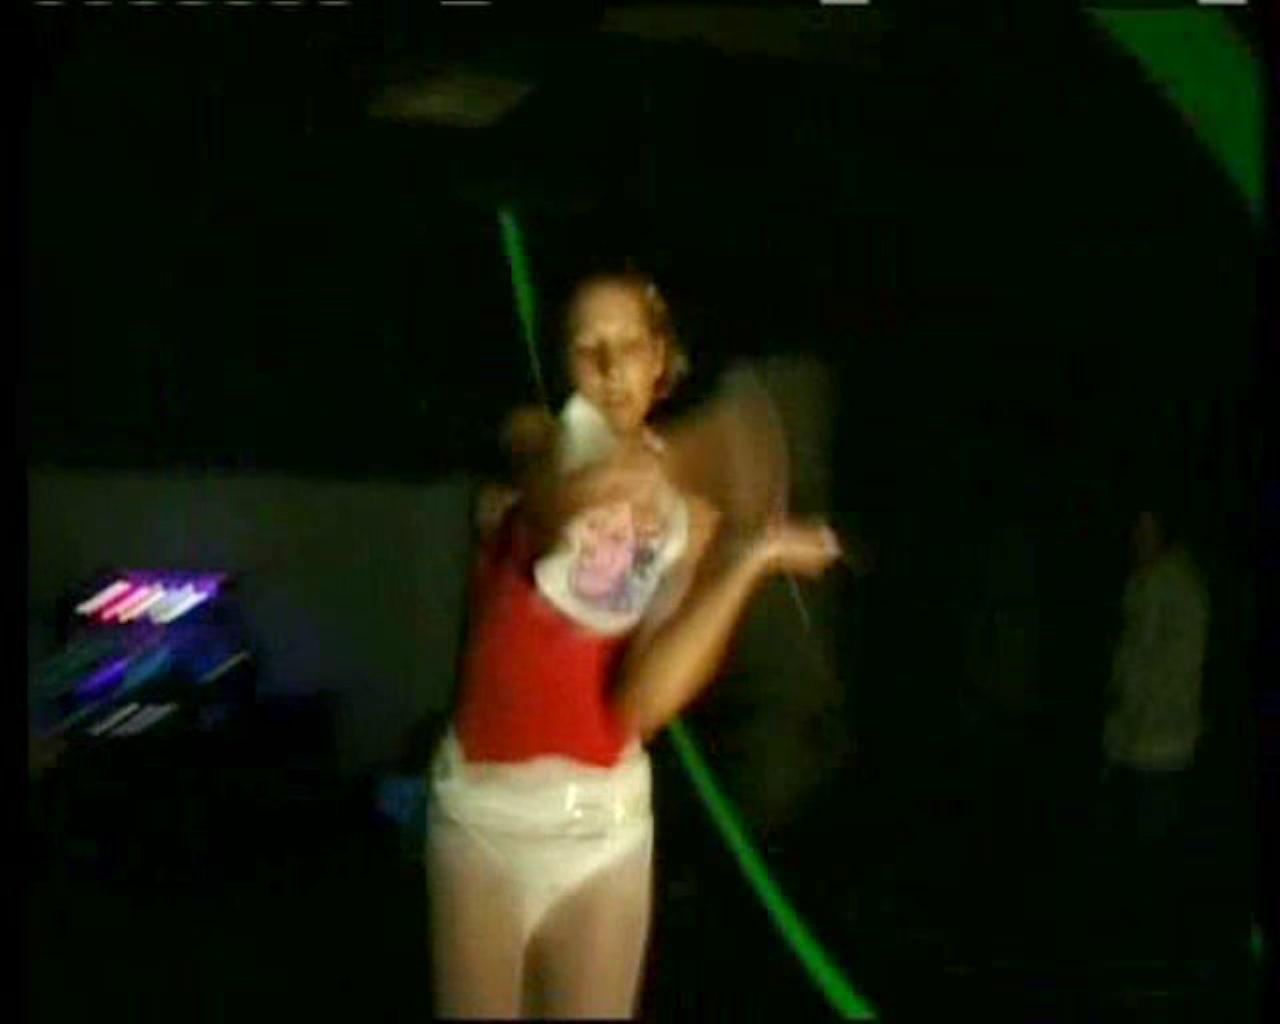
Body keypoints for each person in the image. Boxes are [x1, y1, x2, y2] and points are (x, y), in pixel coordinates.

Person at [427, 270, 842, 1019]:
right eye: (588, 347)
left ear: (660, 361)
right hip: (480, 821)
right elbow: (561, 506)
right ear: (565, 364)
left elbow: (643, 703)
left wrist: (749, 560)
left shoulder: (689, 523)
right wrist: (678, 464)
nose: (611, 365)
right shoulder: (535, 438)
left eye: (628, 344)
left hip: (604, 828)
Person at [1097, 498, 1211, 930]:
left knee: (1155, 844)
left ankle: (1158, 929)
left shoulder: (1180, 588)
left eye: (1147, 529)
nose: (1138, 539)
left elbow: (1176, 669)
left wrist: (1143, 707)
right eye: (1136, 529)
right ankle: (1138, 923)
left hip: (1162, 739)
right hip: (1130, 737)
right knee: (1134, 840)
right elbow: (1130, 656)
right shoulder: (1141, 582)